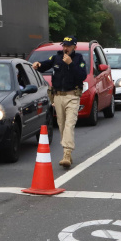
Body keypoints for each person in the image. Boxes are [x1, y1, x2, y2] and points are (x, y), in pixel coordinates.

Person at [31, 36, 87, 168]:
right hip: (58, 96)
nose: (65, 48)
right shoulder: (56, 57)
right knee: (61, 125)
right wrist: (38, 65)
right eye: (64, 46)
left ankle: (67, 154)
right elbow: (45, 64)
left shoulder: (79, 59)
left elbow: (82, 76)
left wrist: (70, 64)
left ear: (74, 47)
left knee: (69, 124)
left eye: (68, 46)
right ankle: (66, 152)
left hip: (72, 96)